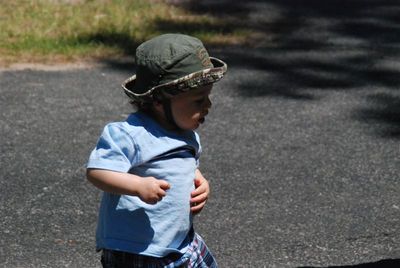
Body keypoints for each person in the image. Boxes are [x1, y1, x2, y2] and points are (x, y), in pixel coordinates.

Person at [86, 33, 227, 267]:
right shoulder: (129, 134)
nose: (208, 106)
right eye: (198, 100)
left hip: (180, 241)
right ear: (159, 101)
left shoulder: (187, 134)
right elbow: (97, 172)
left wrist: (200, 181)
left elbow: (186, 165)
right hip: (138, 250)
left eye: (208, 97)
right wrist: (138, 186)